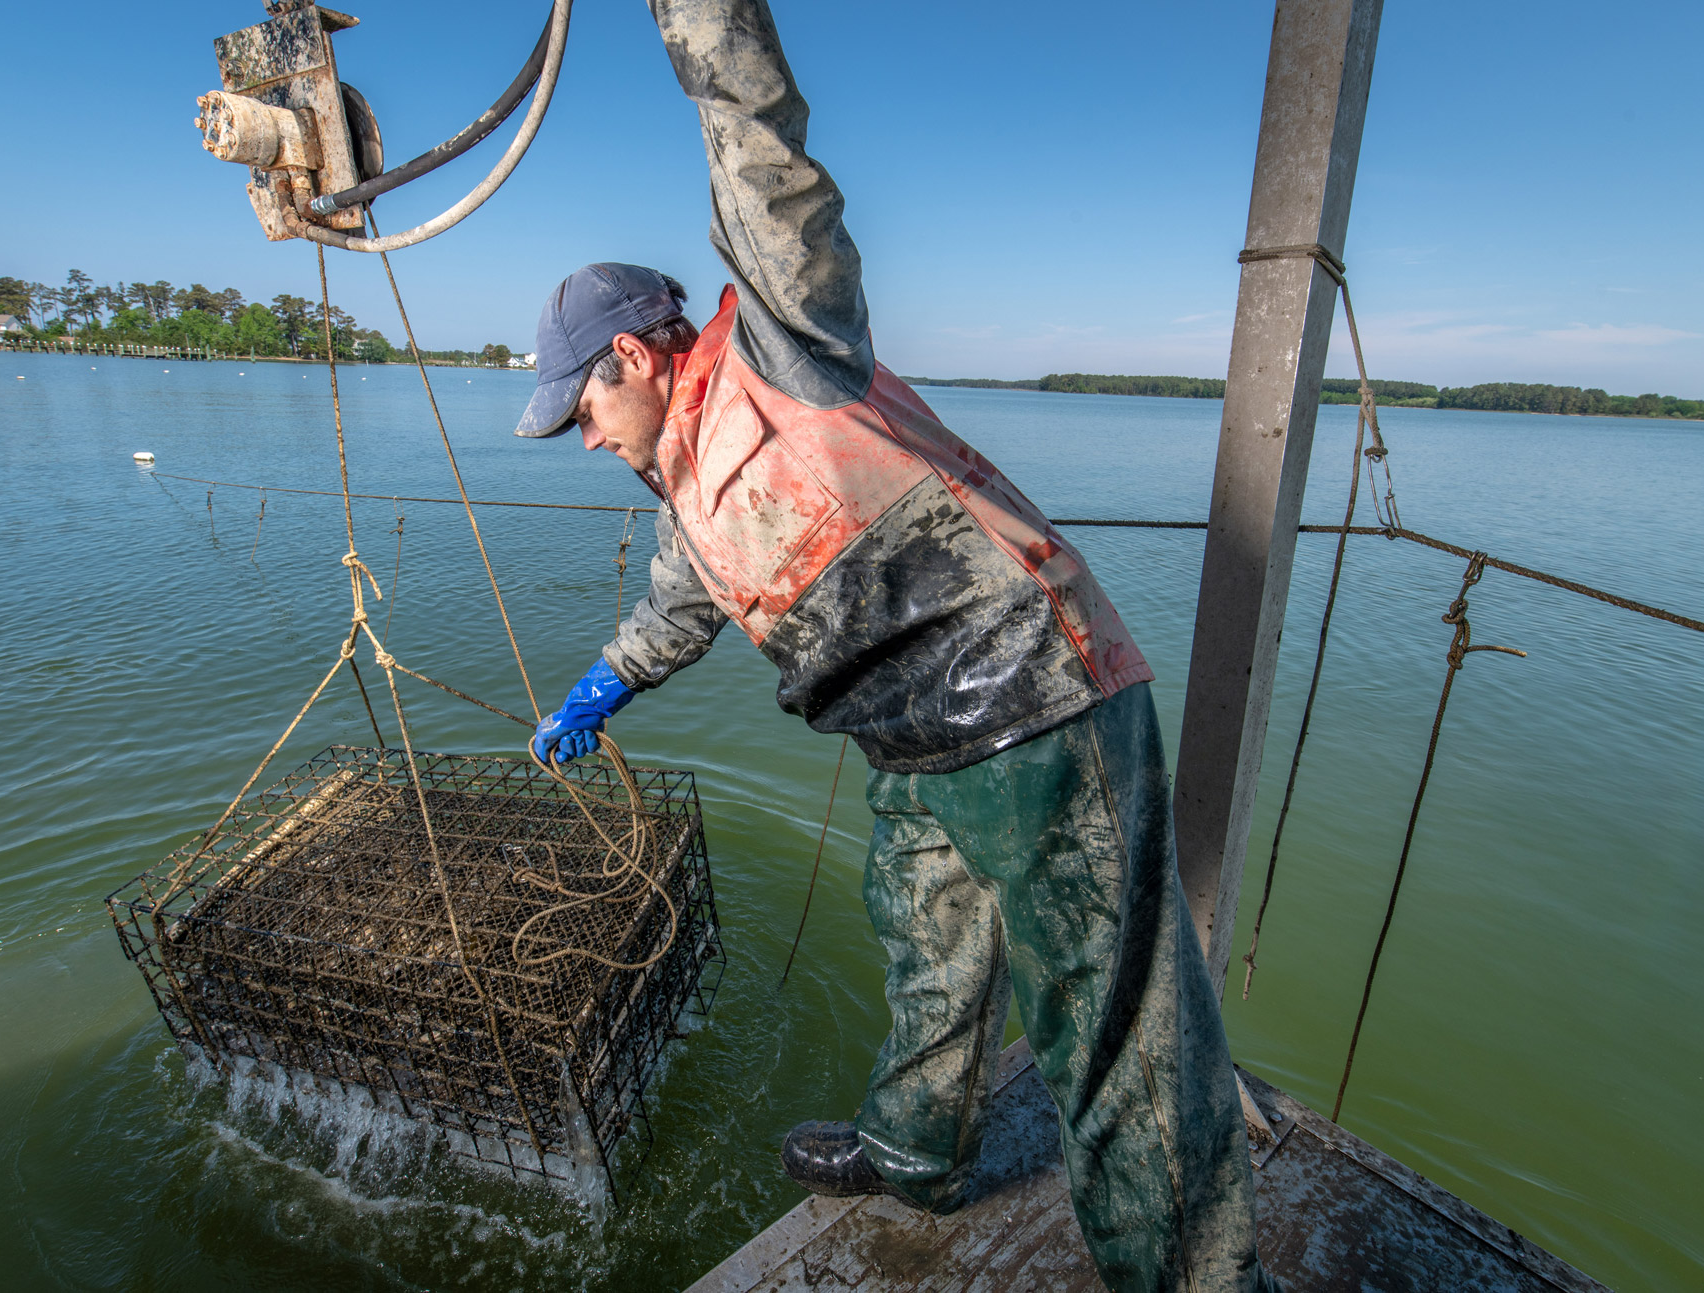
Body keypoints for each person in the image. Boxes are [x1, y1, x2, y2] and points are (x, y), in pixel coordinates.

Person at [514, 2, 1273, 1287]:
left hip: (1034, 705)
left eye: (580, 404)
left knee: (1113, 1032)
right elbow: (672, 617)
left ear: (635, 356)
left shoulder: (782, 343)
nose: (582, 435)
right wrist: (592, 696)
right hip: (912, 742)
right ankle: (919, 1155)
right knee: (924, 941)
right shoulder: (683, 490)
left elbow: (758, 151)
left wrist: (696, 19)